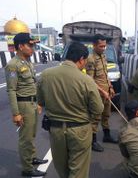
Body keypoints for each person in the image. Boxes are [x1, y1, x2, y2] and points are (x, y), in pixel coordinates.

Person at [37, 42, 104, 178]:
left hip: (56, 130)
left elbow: (41, 101)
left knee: (62, 169)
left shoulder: (45, 75)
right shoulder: (86, 80)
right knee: (78, 171)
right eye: (85, 61)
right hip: (80, 131)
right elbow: (98, 109)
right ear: (81, 59)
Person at [4, 32, 48, 177]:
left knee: (32, 134)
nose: (33, 48)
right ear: (21, 46)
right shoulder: (13, 65)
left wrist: (38, 102)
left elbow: (33, 83)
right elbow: (11, 90)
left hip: (32, 103)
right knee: (26, 138)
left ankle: (32, 158)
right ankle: (27, 169)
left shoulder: (28, 62)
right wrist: (16, 113)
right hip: (23, 105)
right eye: (30, 45)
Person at [85, 34, 118, 152]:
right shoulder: (90, 59)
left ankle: (107, 136)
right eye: (101, 46)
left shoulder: (103, 56)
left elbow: (105, 75)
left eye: (105, 46)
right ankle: (93, 141)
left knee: (106, 115)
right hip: (98, 94)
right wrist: (102, 91)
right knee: (95, 118)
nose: (104, 48)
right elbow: (90, 80)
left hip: (106, 92)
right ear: (94, 45)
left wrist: (110, 87)